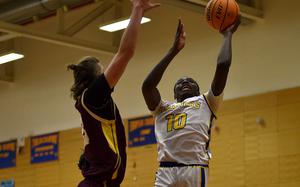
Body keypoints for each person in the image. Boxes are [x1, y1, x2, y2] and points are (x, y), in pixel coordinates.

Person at [67, 1, 159, 186]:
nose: (107, 75)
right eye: (103, 72)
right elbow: (125, 52)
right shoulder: (93, 97)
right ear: (97, 78)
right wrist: (137, 10)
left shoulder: (88, 101)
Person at [142, 18, 240, 187]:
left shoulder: (207, 101)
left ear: (198, 89)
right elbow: (147, 86)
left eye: (190, 82)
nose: (185, 82)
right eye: (180, 83)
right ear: (174, 94)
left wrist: (227, 35)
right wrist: (173, 50)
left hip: (194, 169)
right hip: (166, 170)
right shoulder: (162, 108)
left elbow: (223, 65)